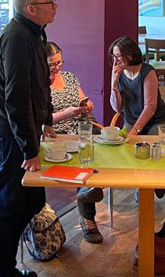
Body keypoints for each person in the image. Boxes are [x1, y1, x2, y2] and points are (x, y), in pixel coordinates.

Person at [0, 0, 57, 277]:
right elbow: (16, 98)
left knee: (33, 201)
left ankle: (2, 265)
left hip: (24, 135)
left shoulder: (36, 34)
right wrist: (29, 148)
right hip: (9, 138)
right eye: (50, 2)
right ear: (31, 9)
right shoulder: (16, 38)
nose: (55, 7)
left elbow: (40, 85)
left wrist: (48, 119)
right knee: (13, 204)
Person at [46, 41, 105, 244]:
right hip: (57, 131)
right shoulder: (38, 84)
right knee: (84, 156)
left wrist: (86, 105)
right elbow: (40, 120)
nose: (57, 67)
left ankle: (89, 188)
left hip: (82, 124)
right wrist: (66, 113)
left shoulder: (70, 77)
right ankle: (88, 217)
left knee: (101, 147)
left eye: (59, 62)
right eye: (52, 64)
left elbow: (83, 99)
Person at [108, 35, 165, 137]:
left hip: (155, 122)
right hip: (131, 121)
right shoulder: (119, 74)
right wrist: (114, 86)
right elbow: (118, 109)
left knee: (154, 144)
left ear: (130, 55)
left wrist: (135, 130)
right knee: (125, 147)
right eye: (113, 56)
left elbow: (150, 107)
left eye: (118, 56)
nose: (116, 60)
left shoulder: (147, 72)